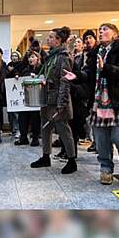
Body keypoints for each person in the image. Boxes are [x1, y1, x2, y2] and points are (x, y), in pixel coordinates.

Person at [68, 23, 119, 186]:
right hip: (99, 102)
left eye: (105, 30)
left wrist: (105, 67)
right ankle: (106, 169)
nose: (101, 33)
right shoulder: (95, 53)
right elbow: (88, 73)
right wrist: (77, 75)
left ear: (115, 34)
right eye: (99, 30)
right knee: (101, 139)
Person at [30, 26, 77, 174]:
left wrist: (61, 104)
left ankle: (71, 160)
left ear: (58, 40)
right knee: (45, 128)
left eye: (51, 37)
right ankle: (46, 156)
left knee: (63, 129)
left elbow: (65, 81)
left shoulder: (64, 57)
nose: (48, 39)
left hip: (58, 98)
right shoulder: (50, 56)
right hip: (47, 97)